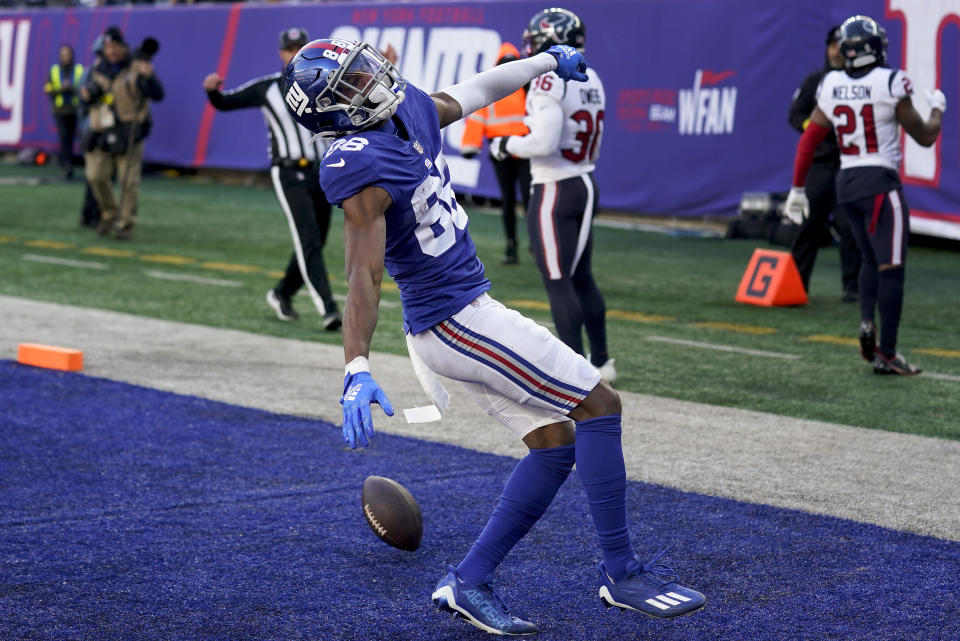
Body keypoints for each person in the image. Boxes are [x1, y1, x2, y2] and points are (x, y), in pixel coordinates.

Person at [281, 36, 706, 635]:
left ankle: (468, 582)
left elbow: (477, 91)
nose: (372, 78)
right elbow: (363, 276)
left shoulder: (405, 109)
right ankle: (622, 573)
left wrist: (543, 63)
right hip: (455, 322)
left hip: (462, 315)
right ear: (331, 112)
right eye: (352, 83)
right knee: (600, 405)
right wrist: (356, 366)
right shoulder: (359, 165)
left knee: (556, 442)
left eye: (363, 70)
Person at [786, 15, 944, 375]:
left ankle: (865, 322)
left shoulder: (831, 84)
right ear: (875, 47)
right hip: (879, 181)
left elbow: (808, 140)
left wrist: (797, 188)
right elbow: (925, 136)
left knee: (870, 262)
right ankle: (887, 353)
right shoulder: (891, 81)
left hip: (847, 181)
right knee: (891, 268)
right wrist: (938, 108)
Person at [488, 8, 615, 382]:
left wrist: (506, 144)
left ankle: (575, 371)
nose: (530, 47)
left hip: (554, 186)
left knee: (558, 280)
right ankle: (602, 360)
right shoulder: (592, 77)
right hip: (585, 182)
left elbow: (543, 142)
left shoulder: (549, 81)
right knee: (582, 278)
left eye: (534, 40)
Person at [203, 27, 341, 331]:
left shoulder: (324, 82)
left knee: (317, 239)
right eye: (290, 48)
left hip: (321, 170)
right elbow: (226, 103)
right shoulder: (267, 88)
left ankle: (282, 293)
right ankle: (328, 309)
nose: (294, 53)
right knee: (308, 238)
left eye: (299, 47)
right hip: (289, 171)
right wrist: (212, 91)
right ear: (281, 54)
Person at [786, 26, 861, 302]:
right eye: (832, 46)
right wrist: (814, 128)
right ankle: (796, 282)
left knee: (849, 224)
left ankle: (853, 287)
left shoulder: (858, 82)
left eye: (840, 46)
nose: (835, 52)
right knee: (808, 224)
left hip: (847, 163)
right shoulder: (815, 81)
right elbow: (795, 114)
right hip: (819, 163)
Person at [80, 26, 164, 240]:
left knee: (128, 181)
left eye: (115, 47)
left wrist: (149, 76)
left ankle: (125, 223)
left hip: (129, 129)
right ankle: (109, 211)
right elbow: (86, 93)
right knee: (95, 175)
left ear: (123, 46)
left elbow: (157, 94)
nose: (111, 51)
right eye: (108, 47)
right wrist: (87, 95)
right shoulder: (99, 66)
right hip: (101, 128)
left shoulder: (136, 66)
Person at [460, 42, 531, 265]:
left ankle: (518, 245)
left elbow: (477, 118)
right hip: (517, 149)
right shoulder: (524, 86)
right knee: (521, 200)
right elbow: (478, 117)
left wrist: (470, 146)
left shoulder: (508, 87)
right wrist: (470, 145)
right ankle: (520, 244)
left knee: (516, 200)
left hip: (514, 150)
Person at [44, 44, 84, 180]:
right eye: (63, 55)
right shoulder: (54, 70)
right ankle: (66, 166)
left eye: (68, 54)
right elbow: (48, 89)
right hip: (60, 111)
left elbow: (83, 87)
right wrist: (61, 89)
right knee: (64, 138)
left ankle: (71, 165)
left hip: (74, 110)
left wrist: (71, 87)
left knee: (73, 138)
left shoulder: (79, 70)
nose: (65, 57)